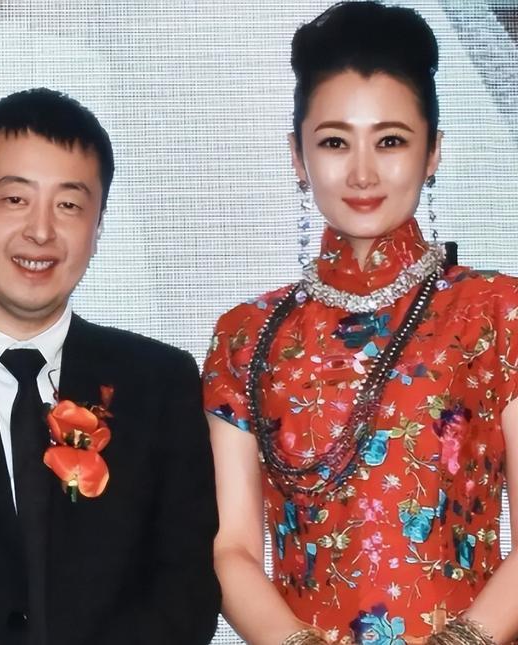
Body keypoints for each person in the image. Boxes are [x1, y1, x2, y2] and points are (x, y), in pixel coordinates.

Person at [203, 3, 518, 644]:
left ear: (433, 151)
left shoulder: (496, 311)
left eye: (391, 140)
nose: (363, 172)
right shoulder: (246, 336)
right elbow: (232, 547)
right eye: (335, 142)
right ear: (298, 156)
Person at [0, 88, 220, 645]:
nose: (41, 231)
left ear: (98, 226)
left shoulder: (160, 383)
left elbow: (186, 589)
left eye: (69, 205)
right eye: (15, 199)